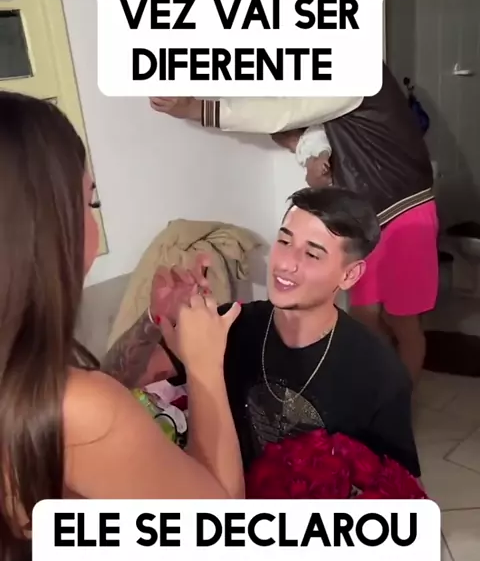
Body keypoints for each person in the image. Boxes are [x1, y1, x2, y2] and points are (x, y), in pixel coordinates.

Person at [105, 187, 428, 561]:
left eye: (313, 253)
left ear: (349, 275)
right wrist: (155, 318)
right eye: (284, 240)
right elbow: (122, 381)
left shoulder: (377, 373)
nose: (286, 263)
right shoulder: (235, 325)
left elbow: (400, 501)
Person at [0, 92, 244, 561]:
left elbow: (57, 432)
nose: (95, 226)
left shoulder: (34, 382)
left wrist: (152, 327)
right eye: (90, 202)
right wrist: (205, 366)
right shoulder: (80, 408)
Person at [150, 64, 439, 384]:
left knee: (404, 322)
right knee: (364, 318)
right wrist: (316, 154)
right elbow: (314, 123)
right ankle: (380, 391)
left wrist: (196, 108)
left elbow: (288, 112)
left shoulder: (358, 66)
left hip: (405, 210)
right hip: (363, 220)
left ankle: (400, 402)